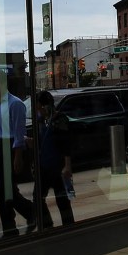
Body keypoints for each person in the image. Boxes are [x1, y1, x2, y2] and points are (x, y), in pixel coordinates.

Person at [0, 67, 35, 239]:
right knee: (1, 191)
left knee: (8, 191)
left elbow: (18, 132)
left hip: (11, 147)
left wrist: (18, 156)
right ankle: (10, 229)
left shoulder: (15, 104)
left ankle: (31, 212)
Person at [32, 90, 74, 228]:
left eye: (39, 107)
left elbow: (66, 143)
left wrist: (67, 166)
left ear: (45, 106)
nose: (38, 110)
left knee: (61, 198)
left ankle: (68, 225)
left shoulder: (59, 119)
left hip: (57, 165)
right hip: (44, 164)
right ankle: (46, 223)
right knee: (38, 197)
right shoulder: (40, 120)